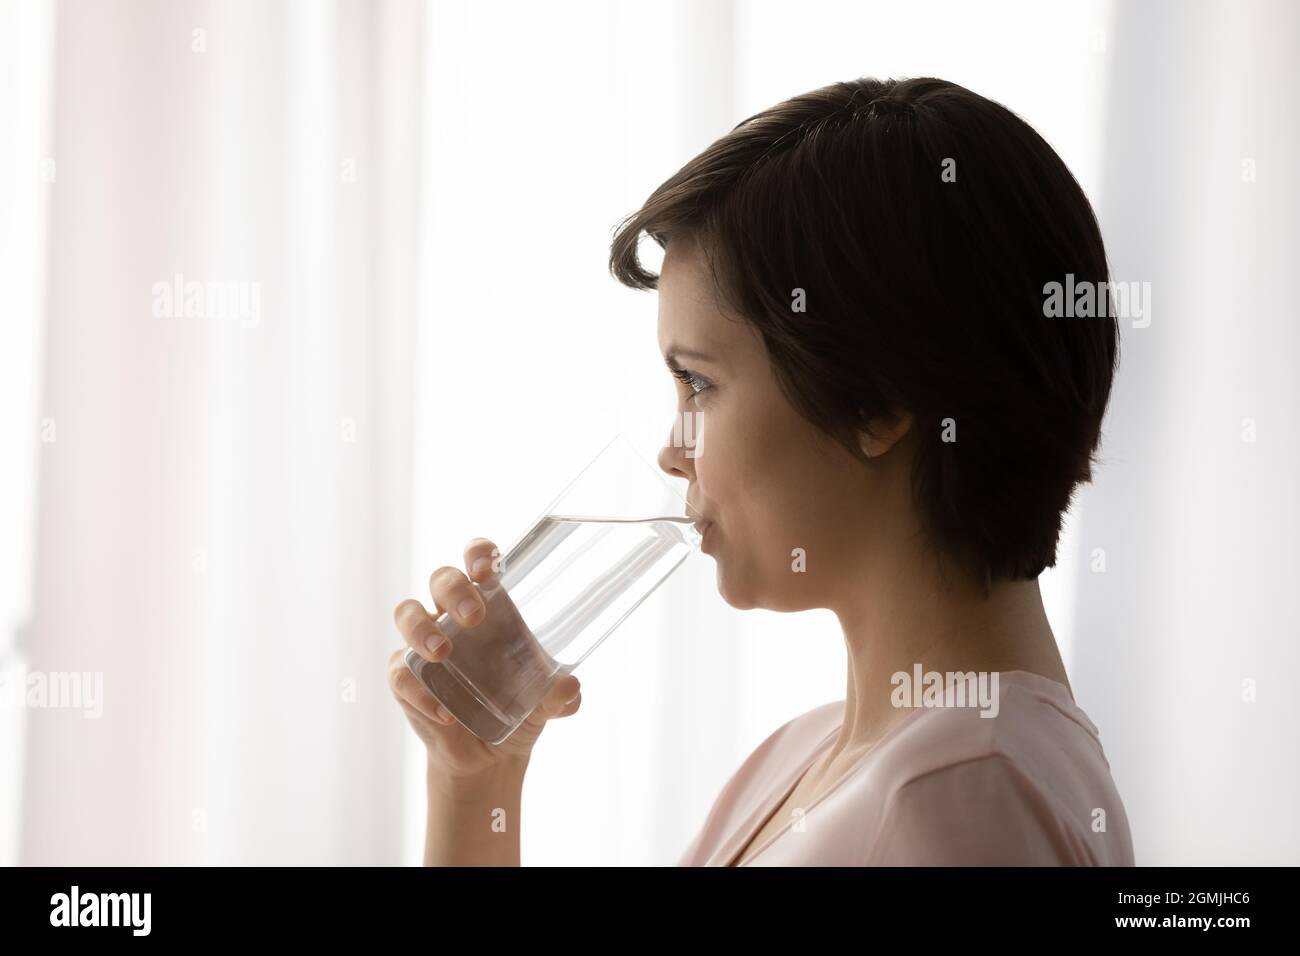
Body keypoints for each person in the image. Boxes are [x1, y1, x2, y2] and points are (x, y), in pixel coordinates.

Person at [389, 76, 1134, 866]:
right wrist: (475, 783)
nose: (674, 450)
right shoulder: (816, 762)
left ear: (877, 403)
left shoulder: (954, 802)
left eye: (700, 383)